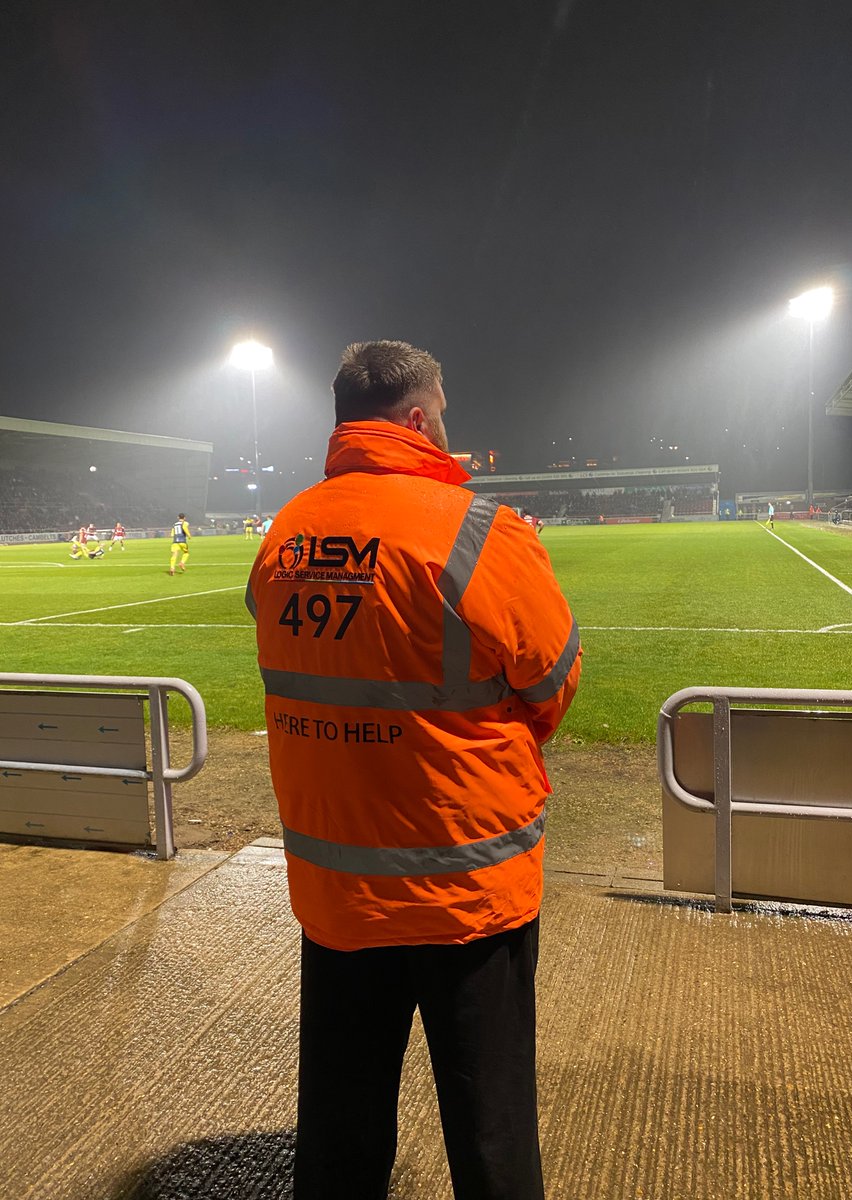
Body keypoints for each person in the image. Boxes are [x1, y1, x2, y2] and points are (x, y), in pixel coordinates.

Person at [246, 340, 581, 1200]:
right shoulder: (477, 532)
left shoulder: (285, 532)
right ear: (420, 416)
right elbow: (553, 685)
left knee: (339, 1134)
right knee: (492, 1132)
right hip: (466, 886)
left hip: (336, 890)